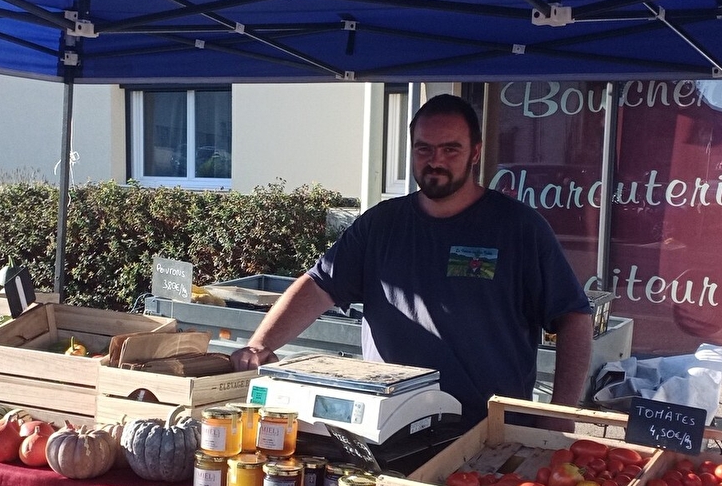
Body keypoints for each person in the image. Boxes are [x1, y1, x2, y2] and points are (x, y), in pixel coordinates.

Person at [231, 94, 595, 423]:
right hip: (389, 425)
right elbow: (319, 285)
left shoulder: (519, 228)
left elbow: (574, 318)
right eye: (424, 149)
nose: (435, 161)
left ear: (475, 152)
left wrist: (560, 414)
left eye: (450, 149)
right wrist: (260, 344)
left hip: (489, 434)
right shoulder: (381, 223)